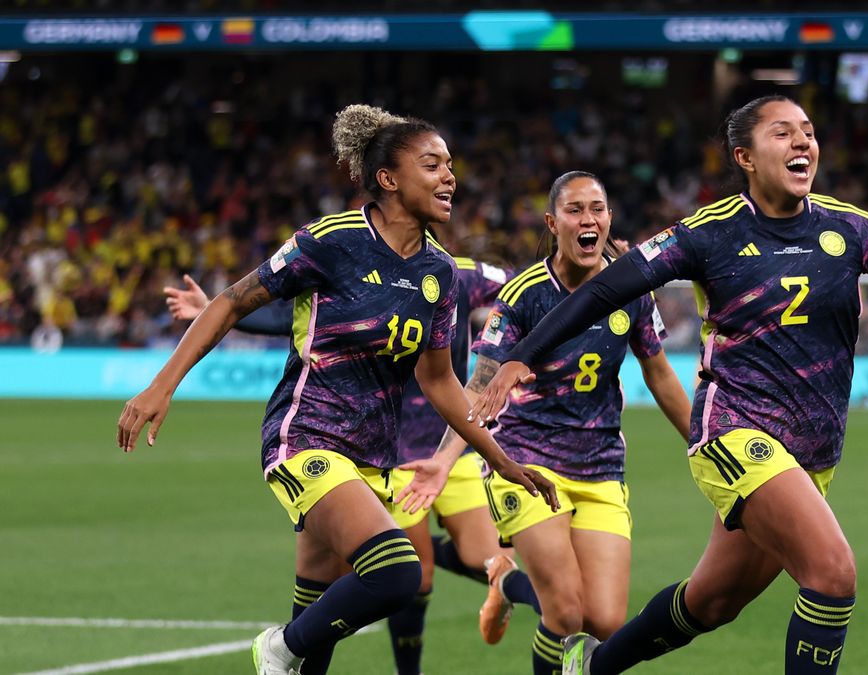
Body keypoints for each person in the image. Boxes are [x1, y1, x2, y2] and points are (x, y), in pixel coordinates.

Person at [466, 95, 868, 675]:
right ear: (745, 156)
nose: (803, 142)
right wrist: (525, 354)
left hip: (812, 453)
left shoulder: (851, 229)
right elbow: (612, 283)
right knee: (832, 574)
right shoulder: (707, 234)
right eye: (783, 133)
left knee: (709, 603)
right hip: (734, 435)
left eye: (808, 131)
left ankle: (592, 671)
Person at [117, 104, 557, 675]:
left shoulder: (441, 274)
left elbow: (439, 381)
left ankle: (291, 653)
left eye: (451, 164)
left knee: (316, 636)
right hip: (305, 440)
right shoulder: (331, 241)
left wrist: (502, 461)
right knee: (398, 573)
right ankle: (274, 648)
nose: (451, 176)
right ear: (388, 179)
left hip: (373, 459)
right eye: (433, 164)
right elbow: (231, 301)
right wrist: (161, 386)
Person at [163, 254, 544, 671]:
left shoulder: (457, 274)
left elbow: (529, 285)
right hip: (394, 452)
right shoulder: (355, 262)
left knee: (487, 558)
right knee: (412, 575)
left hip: (455, 442)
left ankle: (475, 579)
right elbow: (285, 316)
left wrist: (593, 285)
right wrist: (218, 314)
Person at [402, 170, 692, 675]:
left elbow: (661, 374)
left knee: (605, 621)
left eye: (597, 209)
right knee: (564, 612)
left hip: (601, 468)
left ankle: (504, 581)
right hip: (526, 461)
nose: (588, 219)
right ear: (552, 223)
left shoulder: (631, 287)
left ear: (608, 219)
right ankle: (512, 584)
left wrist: (704, 443)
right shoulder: (524, 294)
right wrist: (447, 459)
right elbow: (480, 383)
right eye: (575, 210)